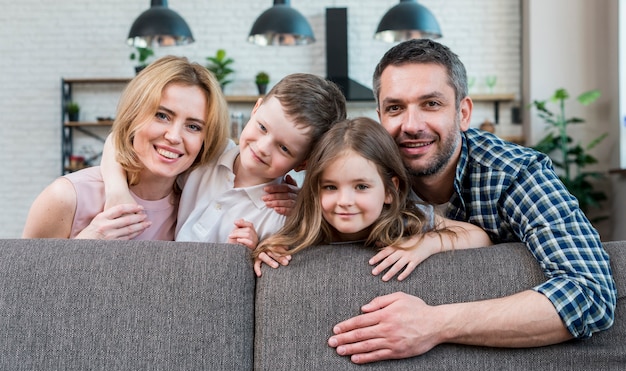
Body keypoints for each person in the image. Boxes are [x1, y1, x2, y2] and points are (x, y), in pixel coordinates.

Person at [327, 39, 616, 364]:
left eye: (431, 104)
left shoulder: (515, 174)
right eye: (395, 108)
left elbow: (590, 293)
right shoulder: (363, 180)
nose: (411, 125)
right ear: (380, 116)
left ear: (463, 113)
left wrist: (433, 324)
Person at [101, 73, 347, 249]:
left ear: (303, 163)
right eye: (262, 127)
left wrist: (252, 250)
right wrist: (116, 190)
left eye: (283, 148)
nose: (262, 148)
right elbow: (119, 139)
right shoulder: (210, 151)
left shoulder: (279, 214)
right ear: (256, 108)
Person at [253, 117, 492, 279]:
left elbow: (480, 237)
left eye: (361, 186)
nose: (344, 200)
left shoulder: (410, 221)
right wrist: (264, 249)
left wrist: (427, 244)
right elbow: (272, 246)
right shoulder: (307, 227)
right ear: (316, 190)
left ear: (390, 190)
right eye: (330, 187)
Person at [22, 55, 229, 240]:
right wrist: (86, 244)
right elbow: (23, 281)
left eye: (193, 126)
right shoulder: (65, 197)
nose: (174, 137)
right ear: (133, 116)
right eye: (162, 115)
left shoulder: (194, 207)